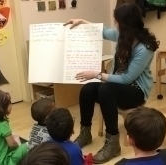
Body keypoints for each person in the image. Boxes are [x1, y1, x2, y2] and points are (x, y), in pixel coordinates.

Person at [64, 3, 160, 164]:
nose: (115, 26)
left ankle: (113, 142)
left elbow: (127, 79)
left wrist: (97, 74)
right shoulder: (124, 35)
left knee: (104, 89)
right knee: (87, 89)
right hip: (117, 87)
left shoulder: (145, 48)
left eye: (117, 23)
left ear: (127, 25)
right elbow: (102, 31)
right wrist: (81, 21)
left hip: (136, 91)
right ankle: (85, 133)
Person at [0, 90, 28, 165]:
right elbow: (12, 144)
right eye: (9, 103)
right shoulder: (2, 124)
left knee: (14, 136)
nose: (11, 105)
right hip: (3, 162)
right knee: (27, 146)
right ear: (2, 108)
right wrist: (18, 148)